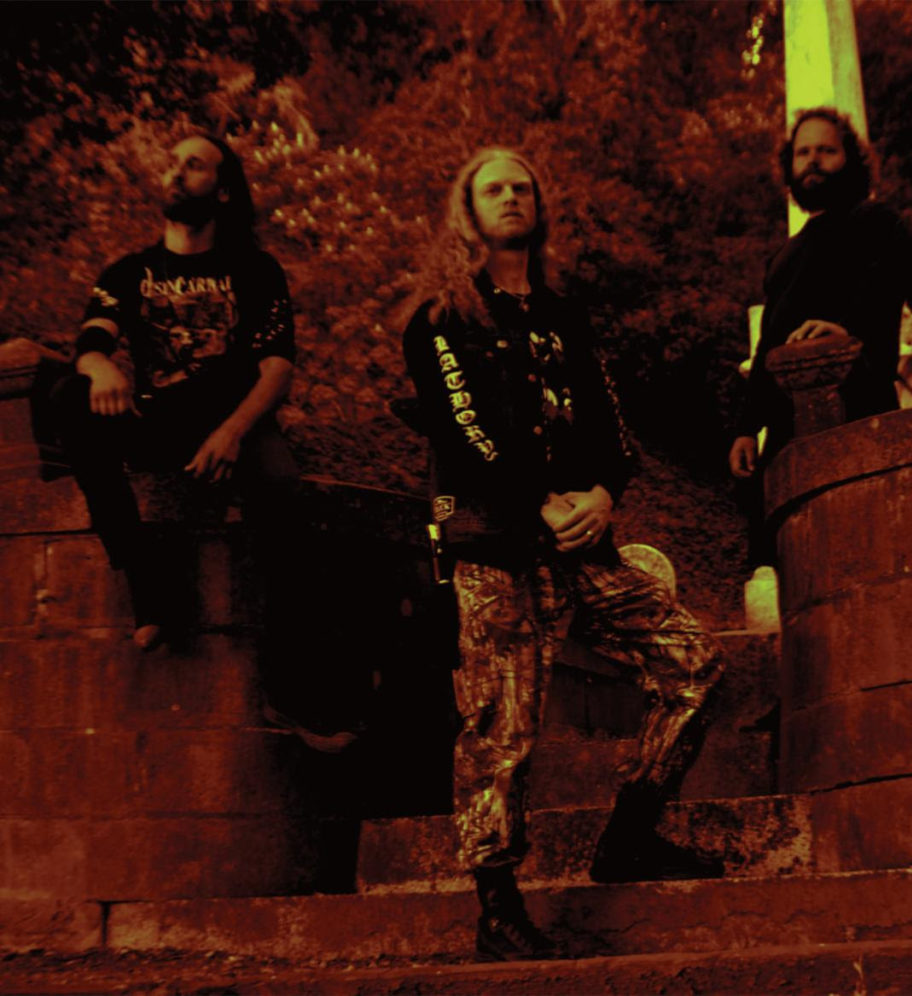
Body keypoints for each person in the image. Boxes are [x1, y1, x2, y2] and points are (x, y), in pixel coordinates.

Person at [402, 147, 726, 962]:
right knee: (498, 729)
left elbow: (611, 429)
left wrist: (604, 495)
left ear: (538, 207)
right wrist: (539, 502)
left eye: (522, 187)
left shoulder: (565, 316)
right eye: (494, 189)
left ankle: (630, 835)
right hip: (495, 545)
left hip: (583, 545)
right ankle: (497, 908)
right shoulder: (440, 320)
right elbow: (462, 428)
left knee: (694, 664)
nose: (511, 197)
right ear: (468, 211)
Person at [50, 133, 354, 749]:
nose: (176, 172)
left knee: (285, 499)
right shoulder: (128, 272)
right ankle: (147, 582)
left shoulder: (255, 270)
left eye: (193, 165)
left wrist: (233, 432)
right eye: (173, 163)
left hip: (234, 420)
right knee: (67, 399)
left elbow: (277, 369)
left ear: (222, 189)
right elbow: (93, 340)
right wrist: (100, 367)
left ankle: (298, 692)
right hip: (160, 421)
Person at [729, 107, 912, 562]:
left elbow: (886, 300)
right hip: (787, 441)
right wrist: (746, 428)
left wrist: (847, 333)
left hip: (858, 419)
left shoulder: (879, 224)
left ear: (850, 159)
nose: (812, 161)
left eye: (826, 151)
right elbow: (768, 346)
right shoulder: (785, 257)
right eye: (802, 153)